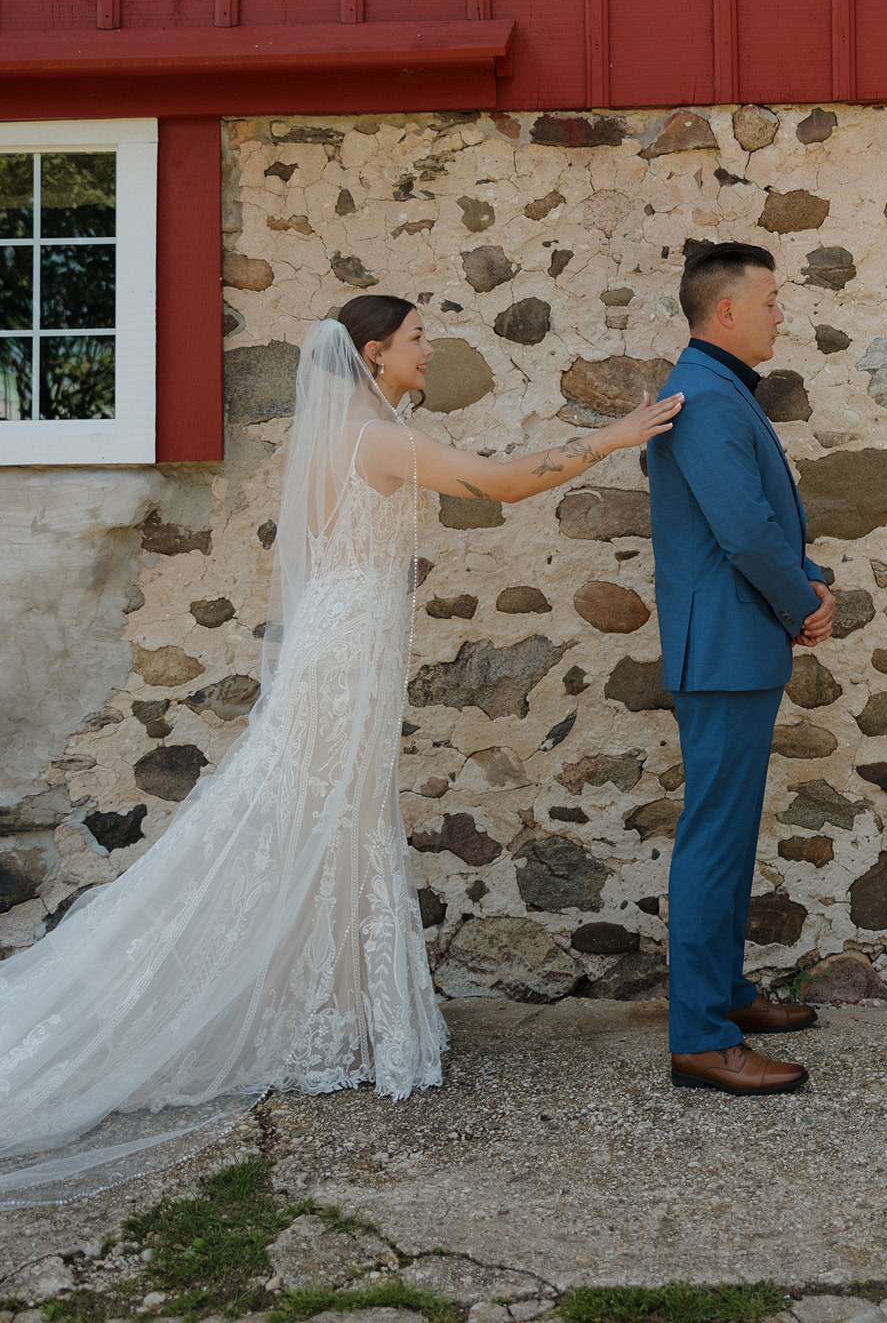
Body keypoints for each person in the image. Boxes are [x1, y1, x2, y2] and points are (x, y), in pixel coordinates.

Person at [0, 295, 683, 1205]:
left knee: (328, 818)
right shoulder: (374, 437)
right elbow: (506, 482)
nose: (428, 349)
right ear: (374, 352)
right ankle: (302, 1016)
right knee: (314, 816)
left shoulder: (359, 430)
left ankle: (341, 1016)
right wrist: (613, 435)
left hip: (343, 639)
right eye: (416, 338)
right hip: (345, 651)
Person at [645, 241, 835, 1096]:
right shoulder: (704, 397)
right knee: (713, 844)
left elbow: (758, 525)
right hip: (722, 648)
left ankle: (723, 997)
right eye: (770, 301)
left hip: (735, 641)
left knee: (726, 836)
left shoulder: (716, 389)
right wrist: (802, 602)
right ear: (726, 311)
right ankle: (701, 1040)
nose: (779, 314)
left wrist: (808, 585)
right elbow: (745, 531)